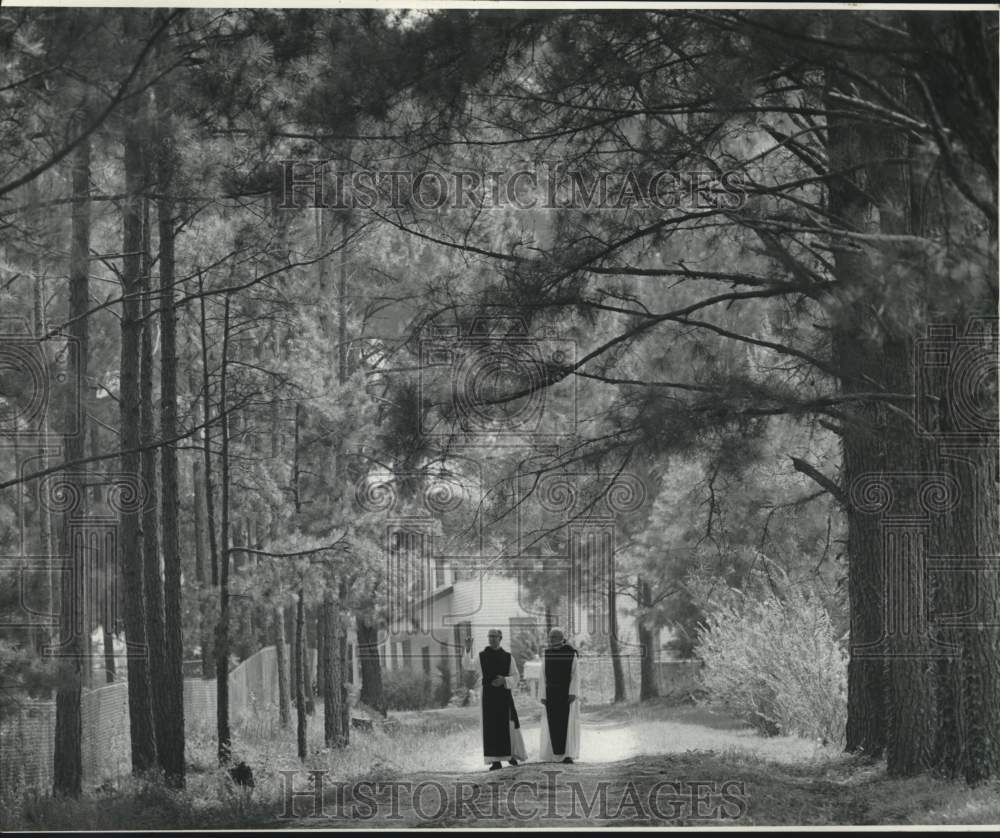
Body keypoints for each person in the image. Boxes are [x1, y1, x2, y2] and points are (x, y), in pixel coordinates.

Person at [462, 628, 527, 770]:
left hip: (504, 695)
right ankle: (495, 760)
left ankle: (510, 756)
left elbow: (516, 676)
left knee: (507, 724)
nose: (491, 639)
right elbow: (468, 665)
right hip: (489, 696)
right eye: (489, 636)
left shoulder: (508, 657)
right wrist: (467, 649)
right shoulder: (481, 656)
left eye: (494, 636)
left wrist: (504, 680)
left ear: (500, 638)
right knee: (491, 727)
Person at [539, 627, 580, 764]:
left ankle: (567, 754)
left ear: (562, 638)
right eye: (550, 637)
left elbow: (575, 675)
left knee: (566, 724)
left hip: (566, 693)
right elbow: (543, 675)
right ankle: (553, 754)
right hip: (551, 693)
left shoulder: (570, 653)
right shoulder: (547, 653)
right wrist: (543, 695)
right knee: (553, 724)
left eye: (554, 637)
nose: (551, 640)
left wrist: (573, 692)